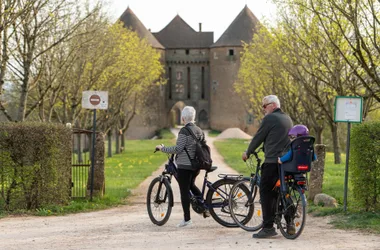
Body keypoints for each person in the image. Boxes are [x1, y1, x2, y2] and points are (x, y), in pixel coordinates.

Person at [242, 95, 293, 238]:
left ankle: (268, 227)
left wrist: (248, 152)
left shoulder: (270, 119)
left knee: (265, 192)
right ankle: (290, 223)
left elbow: (259, 137)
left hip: (272, 162)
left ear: (272, 105)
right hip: (286, 162)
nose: (263, 109)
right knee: (283, 191)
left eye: (264, 106)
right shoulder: (287, 118)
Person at [155, 106, 204, 228]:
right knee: (191, 185)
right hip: (196, 166)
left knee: (184, 191)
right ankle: (203, 205)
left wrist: (163, 148)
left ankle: (187, 220)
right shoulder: (199, 130)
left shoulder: (184, 131)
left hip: (185, 166)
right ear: (193, 117)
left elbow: (178, 149)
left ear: (183, 118)